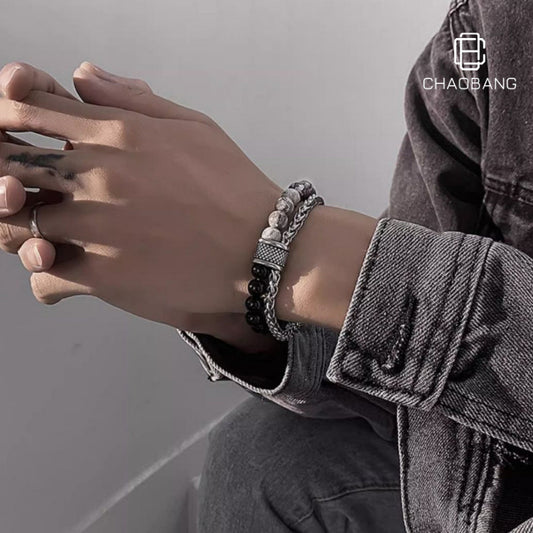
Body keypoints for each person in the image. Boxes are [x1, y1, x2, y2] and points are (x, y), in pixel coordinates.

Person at [0, 0, 532, 531]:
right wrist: (239, 307)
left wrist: (287, 248)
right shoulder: (485, 33)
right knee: (257, 461)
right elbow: (406, 359)